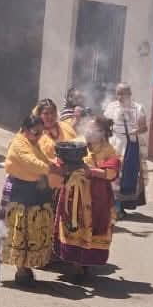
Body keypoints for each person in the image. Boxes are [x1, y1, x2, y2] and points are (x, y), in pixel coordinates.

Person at [54, 116, 120, 275]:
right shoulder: (78, 142)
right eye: (88, 128)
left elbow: (111, 173)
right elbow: (60, 160)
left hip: (96, 196)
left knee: (94, 227)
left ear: (103, 133)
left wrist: (90, 171)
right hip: (75, 195)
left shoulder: (109, 150)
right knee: (73, 225)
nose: (89, 132)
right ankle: (75, 263)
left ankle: (86, 262)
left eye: (94, 129)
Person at [2, 112, 60, 285]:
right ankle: (21, 270)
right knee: (20, 229)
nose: (39, 136)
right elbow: (30, 162)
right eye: (36, 132)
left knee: (33, 230)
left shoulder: (33, 142)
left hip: (33, 191)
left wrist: (54, 163)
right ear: (25, 130)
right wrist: (50, 169)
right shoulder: (18, 143)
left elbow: (42, 158)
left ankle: (27, 266)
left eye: (41, 132)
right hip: (20, 192)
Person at [105, 83, 147, 215]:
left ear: (129, 93)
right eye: (118, 93)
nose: (120, 96)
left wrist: (137, 130)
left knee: (126, 176)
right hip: (114, 143)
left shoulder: (138, 108)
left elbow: (144, 127)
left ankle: (120, 206)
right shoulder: (112, 106)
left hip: (130, 145)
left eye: (123, 93)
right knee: (113, 174)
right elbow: (106, 124)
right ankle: (112, 205)